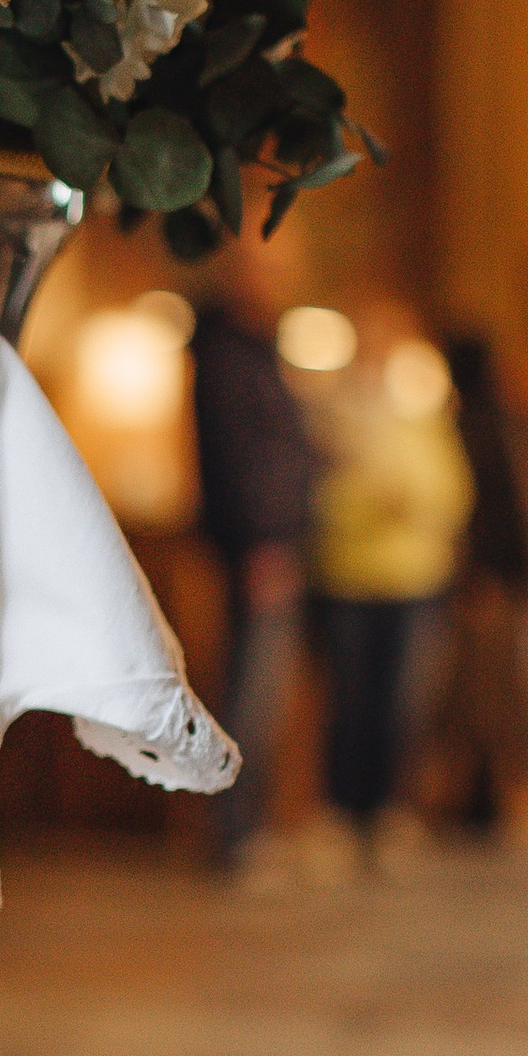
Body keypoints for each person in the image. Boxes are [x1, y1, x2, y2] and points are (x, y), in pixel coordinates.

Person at [304, 297, 473, 870]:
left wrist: (411, 499)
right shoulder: (331, 411)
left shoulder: (421, 407)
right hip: (348, 572)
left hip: (412, 575)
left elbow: (451, 489)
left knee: (401, 700)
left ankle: (391, 812)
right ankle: (342, 813)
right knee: (348, 700)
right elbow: (318, 495)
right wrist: (364, 501)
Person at [190, 244, 317, 876]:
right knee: (251, 693)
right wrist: (264, 540)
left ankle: (249, 828)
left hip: (274, 539)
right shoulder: (226, 352)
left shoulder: (252, 348)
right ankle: (235, 837)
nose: (281, 283)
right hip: (258, 545)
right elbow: (244, 458)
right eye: (270, 272)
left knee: (264, 690)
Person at [419, 331, 528, 837]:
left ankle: (487, 800)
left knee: (488, 694)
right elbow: (488, 511)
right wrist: (488, 575)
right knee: (482, 698)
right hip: (488, 582)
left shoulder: (473, 424)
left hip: (490, 580)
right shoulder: (482, 426)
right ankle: (476, 800)